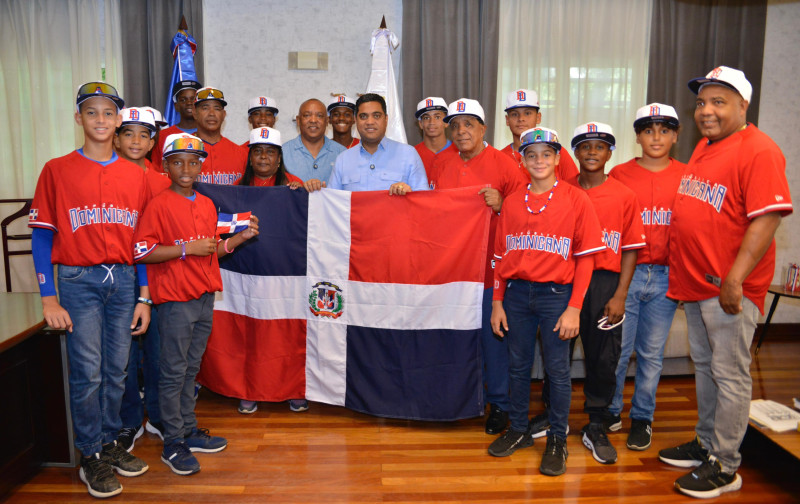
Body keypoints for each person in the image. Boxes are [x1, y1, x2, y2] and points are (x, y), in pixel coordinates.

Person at [660, 66, 793, 499]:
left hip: (729, 288)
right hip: (700, 283)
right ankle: (706, 442)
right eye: (701, 103)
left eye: (719, 102)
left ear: (742, 105)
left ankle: (726, 464)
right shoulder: (706, 145)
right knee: (706, 369)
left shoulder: (759, 150)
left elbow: (767, 217)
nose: (706, 111)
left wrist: (735, 278)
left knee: (729, 374)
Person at [28, 82, 151, 498]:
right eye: (92, 112)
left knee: (118, 371)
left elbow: (142, 244)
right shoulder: (56, 169)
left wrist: (145, 295)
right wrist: (48, 295)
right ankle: (91, 454)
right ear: (79, 118)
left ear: (119, 121)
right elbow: (43, 237)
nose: (101, 119)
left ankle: (111, 441)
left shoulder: (136, 176)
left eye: (108, 113)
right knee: (89, 373)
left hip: (124, 280)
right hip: (79, 281)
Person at [134, 133, 260, 476]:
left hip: (204, 296)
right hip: (175, 300)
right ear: (166, 166)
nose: (186, 168)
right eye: (177, 162)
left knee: (191, 369)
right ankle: (172, 442)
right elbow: (141, 251)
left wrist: (237, 239)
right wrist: (186, 249)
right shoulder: (159, 204)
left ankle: (188, 431)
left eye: (193, 162)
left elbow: (212, 250)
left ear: (201, 165)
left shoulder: (205, 204)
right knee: (173, 371)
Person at [488, 127, 604, 476]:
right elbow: (499, 258)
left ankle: (557, 437)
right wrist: (497, 302)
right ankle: (520, 429)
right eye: (531, 154)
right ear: (522, 161)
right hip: (517, 295)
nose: (539, 160)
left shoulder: (575, 198)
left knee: (557, 371)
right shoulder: (512, 202)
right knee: (518, 367)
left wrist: (575, 307)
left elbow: (586, 258)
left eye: (546, 154)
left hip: (557, 297)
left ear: (557, 159)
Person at [428, 98, 528, 435]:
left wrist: (502, 205)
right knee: (455, 336)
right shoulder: (442, 165)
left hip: (492, 271)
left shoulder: (505, 165)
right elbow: (432, 212)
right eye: (454, 126)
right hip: (452, 270)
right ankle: (461, 398)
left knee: (493, 339)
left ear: (483, 128)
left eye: (468, 124)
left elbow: (527, 218)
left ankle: (499, 403)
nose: (460, 131)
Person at [606, 103, 686, 452]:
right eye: (648, 130)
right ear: (637, 136)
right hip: (629, 274)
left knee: (651, 353)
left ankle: (642, 417)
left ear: (675, 136)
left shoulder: (688, 175)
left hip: (667, 276)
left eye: (664, 130)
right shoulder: (620, 175)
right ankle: (610, 410)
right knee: (619, 351)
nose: (656, 137)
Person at [566, 122, 645, 466]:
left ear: (610, 153)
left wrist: (620, 295)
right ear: (575, 153)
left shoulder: (624, 195)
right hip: (566, 282)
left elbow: (630, 249)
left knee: (603, 356)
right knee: (558, 351)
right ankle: (555, 417)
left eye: (600, 146)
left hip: (605, 284)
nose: (592, 152)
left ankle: (596, 421)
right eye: (585, 146)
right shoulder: (562, 190)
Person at [113, 107, 170, 451]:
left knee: (160, 350)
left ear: (152, 144)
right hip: (120, 274)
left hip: (159, 274)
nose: (136, 141)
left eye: (144, 135)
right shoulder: (105, 175)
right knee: (125, 354)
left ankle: (161, 416)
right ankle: (130, 419)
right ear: (116, 138)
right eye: (128, 133)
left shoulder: (164, 182)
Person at [305, 93, 427, 194]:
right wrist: (317, 191)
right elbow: (335, 205)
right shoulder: (343, 159)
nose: (370, 122)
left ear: (386, 119)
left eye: (376, 116)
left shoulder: (408, 154)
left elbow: (423, 201)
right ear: (355, 120)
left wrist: (410, 193)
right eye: (363, 116)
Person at [500, 89, 578, 182]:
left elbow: (574, 188)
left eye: (527, 113)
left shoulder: (557, 152)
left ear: (538, 118)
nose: (521, 118)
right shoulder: (500, 158)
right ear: (507, 120)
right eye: (514, 114)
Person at [192, 86, 247, 184]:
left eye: (217, 108)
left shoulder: (241, 154)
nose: (211, 113)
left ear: (224, 114)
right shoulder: (181, 151)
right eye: (205, 108)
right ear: (195, 113)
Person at [282, 98, 345, 182]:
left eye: (319, 116)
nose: (313, 120)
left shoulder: (342, 153)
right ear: (298, 120)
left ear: (327, 121)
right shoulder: (283, 152)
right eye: (307, 115)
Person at [151, 79, 202, 172]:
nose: (189, 103)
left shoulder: (207, 135)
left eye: (193, 99)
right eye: (183, 100)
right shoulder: (163, 136)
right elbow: (156, 170)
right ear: (176, 106)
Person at [238, 127, 303, 188]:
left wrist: (299, 192)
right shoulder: (238, 185)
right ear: (250, 158)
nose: (263, 156)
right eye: (258, 151)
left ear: (279, 158)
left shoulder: (293, 182)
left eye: (270, 152)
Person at [413, 97, 452, 177]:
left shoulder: (459, 152)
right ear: (420, 124)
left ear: (446, 122)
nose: (432, 122)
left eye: (437, 117)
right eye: (426, 118)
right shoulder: (412, 154)